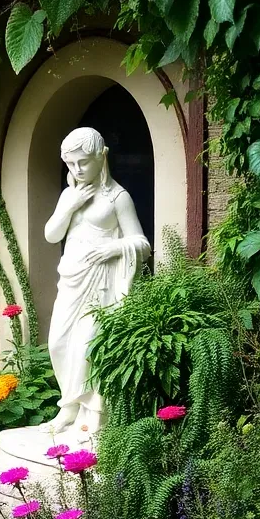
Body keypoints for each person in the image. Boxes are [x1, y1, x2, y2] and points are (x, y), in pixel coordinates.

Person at [44, 125, 150, 434]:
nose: (77, 170)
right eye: (70, 164)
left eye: (83, 162)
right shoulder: (69, 194)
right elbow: (51, 235)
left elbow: (141, 244)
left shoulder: (118, 197)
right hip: (72, 278)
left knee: (90, 347)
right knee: (59, 343)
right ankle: (69, 405)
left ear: (101, 157)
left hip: (102, 282)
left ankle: (92, 416)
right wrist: (72, 205)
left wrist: (112, 248)